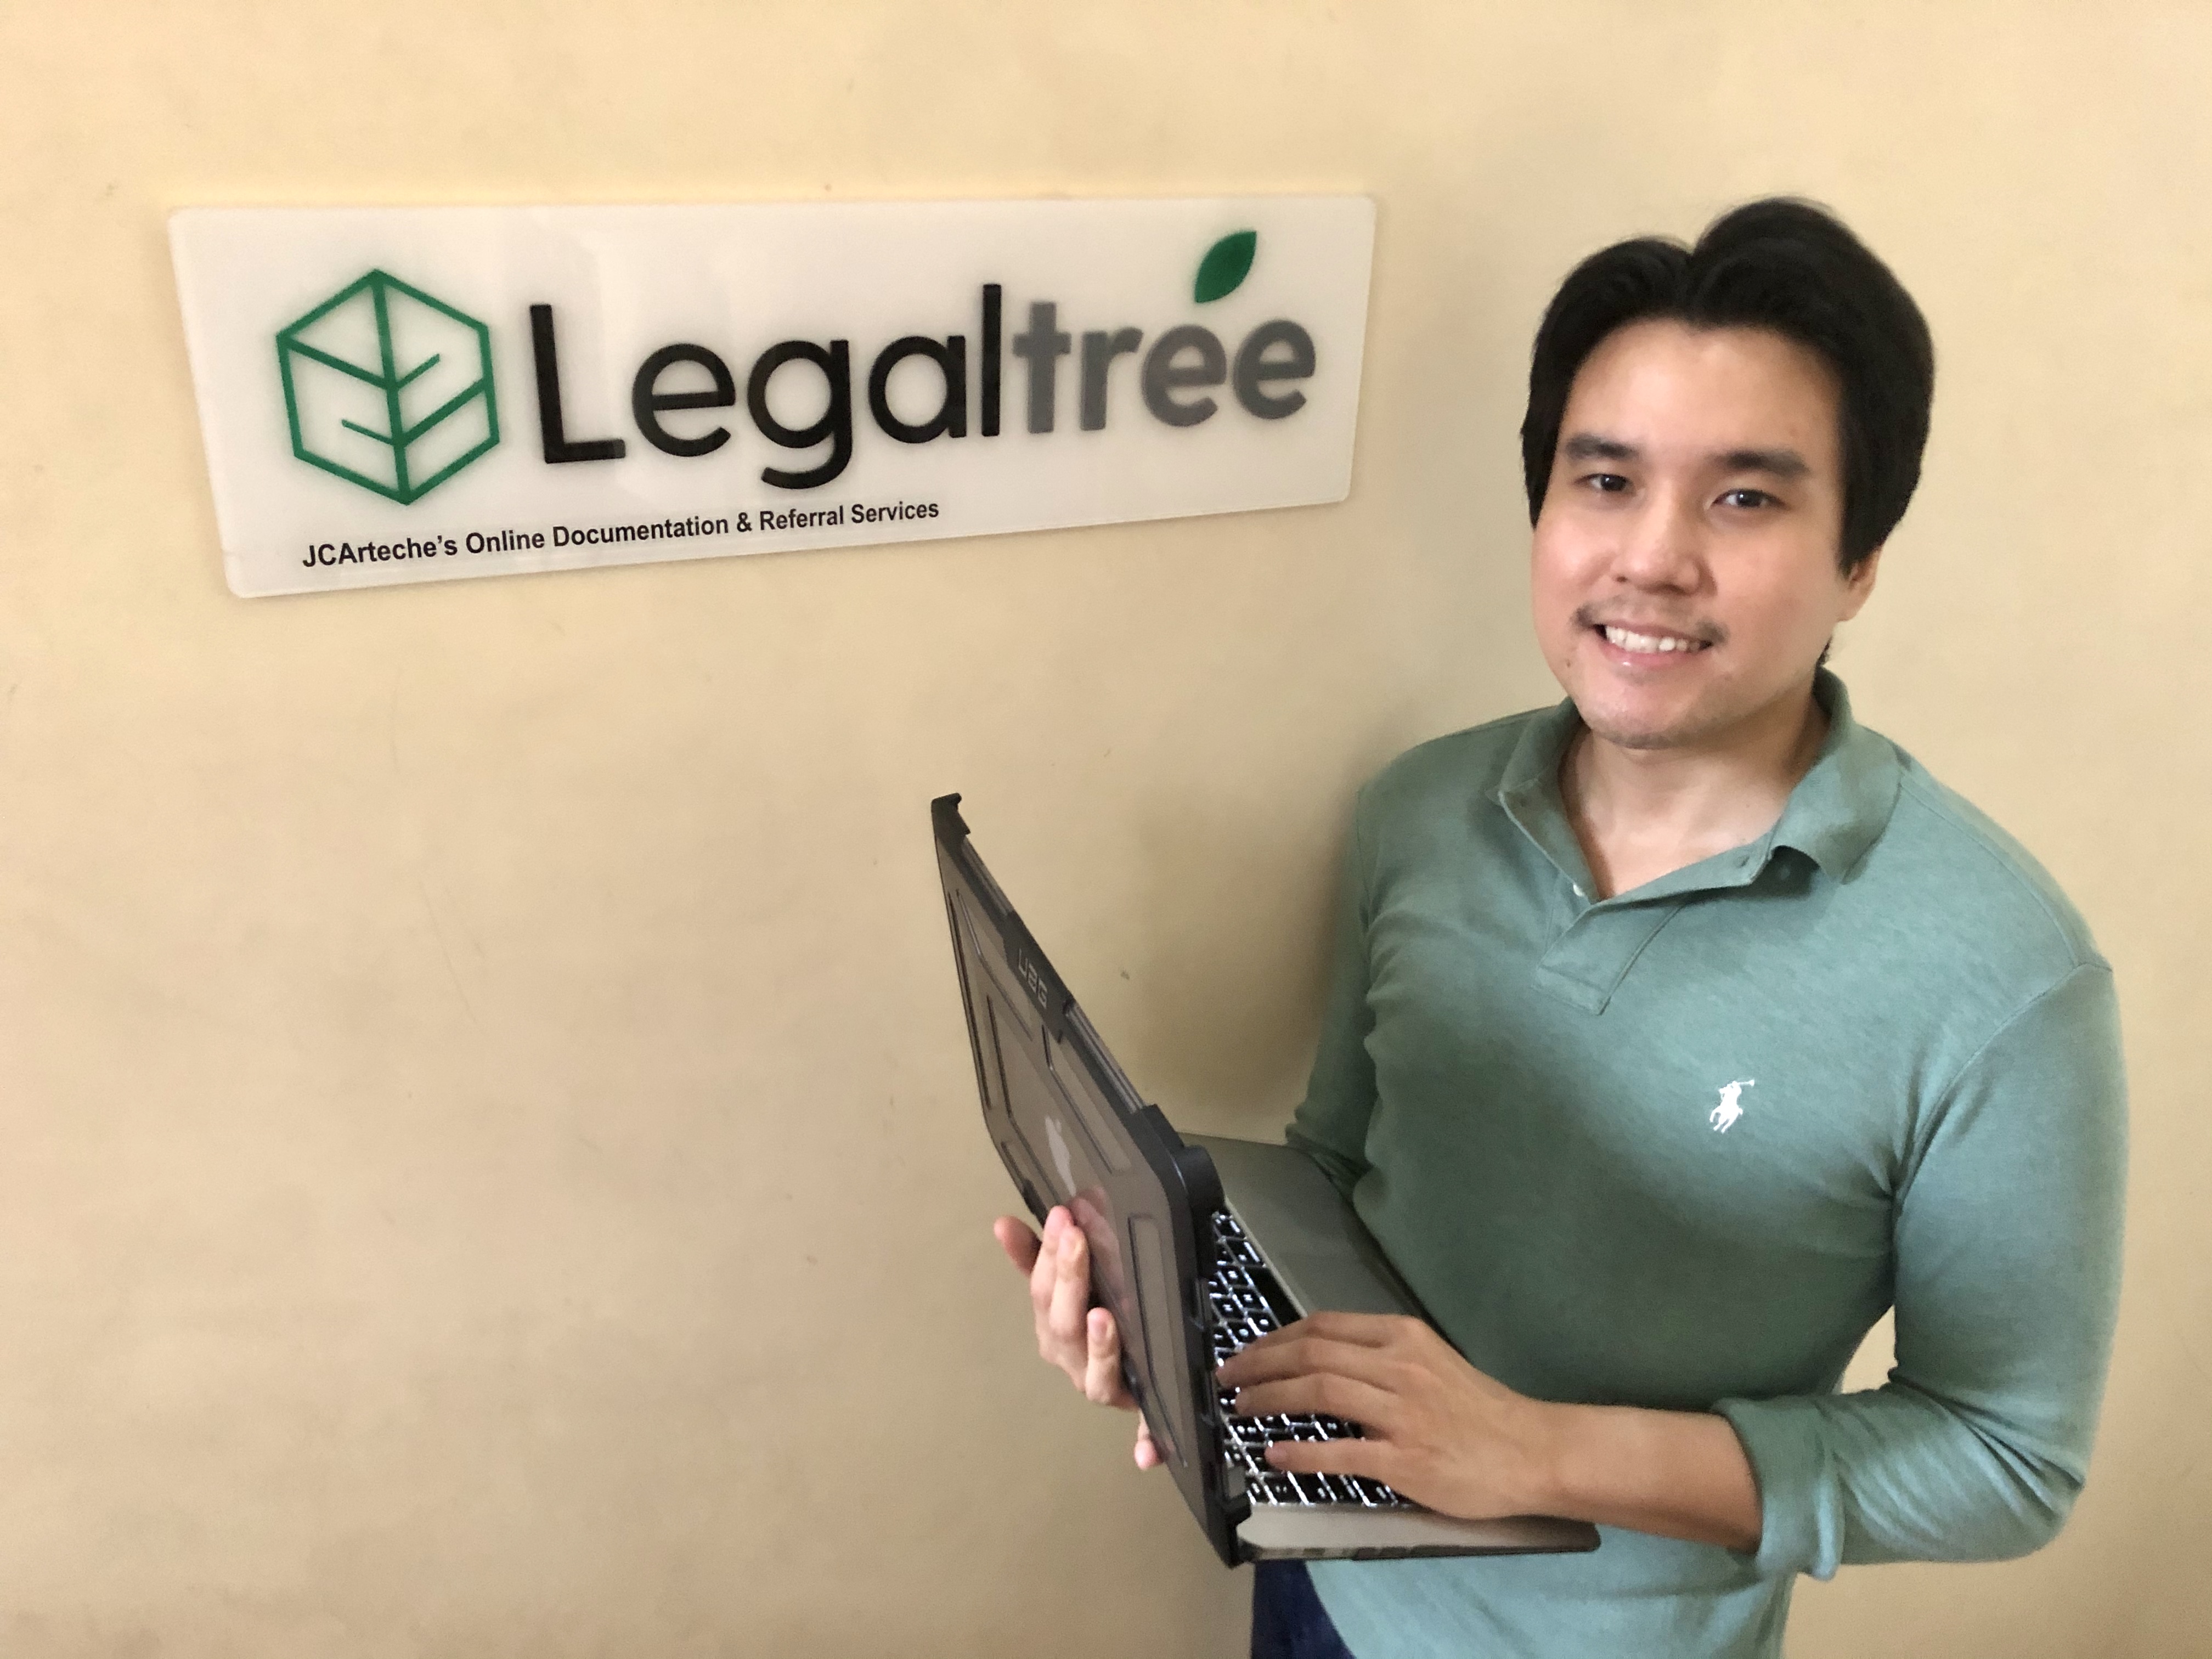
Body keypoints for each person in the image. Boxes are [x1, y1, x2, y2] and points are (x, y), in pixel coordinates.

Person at [993, 198, 2126, 1659]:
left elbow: (2008, 1455)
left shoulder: (2004, 975)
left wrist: (1540, 1452)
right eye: (1605, 480)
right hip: (1317, 1574)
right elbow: (1338, 1172)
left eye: (1746, 498)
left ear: (1861, 558)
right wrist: (1174, 1334)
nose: (1651, 557)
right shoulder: (1419, 810)